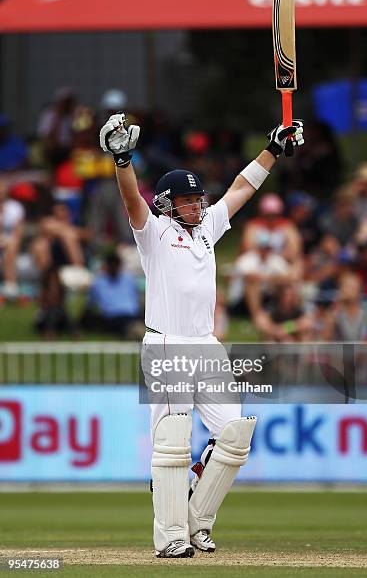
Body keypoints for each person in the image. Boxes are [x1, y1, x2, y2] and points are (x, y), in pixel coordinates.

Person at [99, 112, 304, 558]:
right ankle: (170, 538)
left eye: (197, 198)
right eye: (187, 200)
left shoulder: (208, 226)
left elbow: (241, 189)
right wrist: (122, 160)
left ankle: (196, 521)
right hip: (167, 343)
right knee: (172, 442)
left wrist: (272, 149)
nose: (196, 205)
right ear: (168, 203)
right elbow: (132, 199)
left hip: (206, 345)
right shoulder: (153, 232)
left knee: (234, 434)